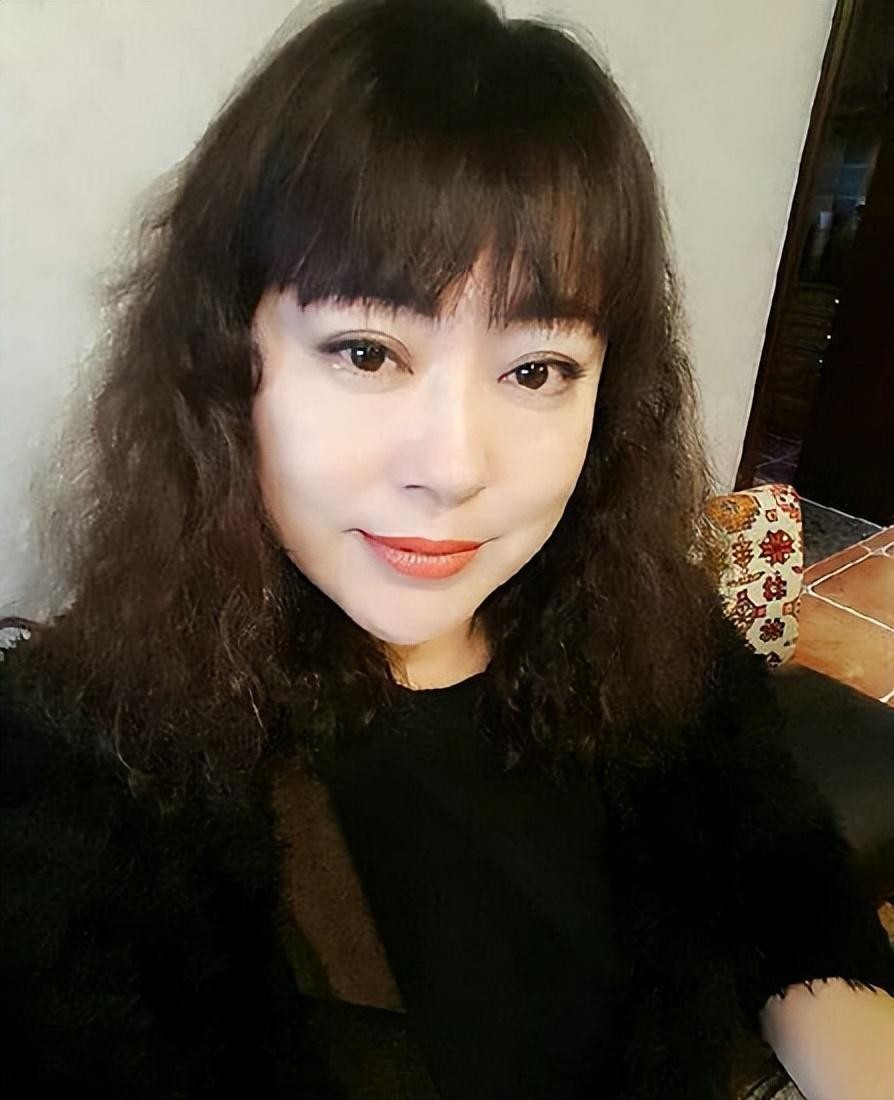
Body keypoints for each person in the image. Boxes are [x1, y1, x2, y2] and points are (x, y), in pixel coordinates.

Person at [1, 1, 892, 1097]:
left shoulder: (644, 636)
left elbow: (787, 889)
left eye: (536, 370)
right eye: (366, 351)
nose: (456, 466)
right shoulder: (77, 775)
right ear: (226, 360)